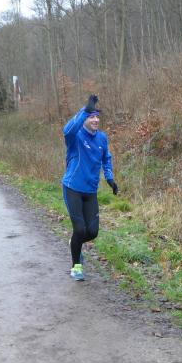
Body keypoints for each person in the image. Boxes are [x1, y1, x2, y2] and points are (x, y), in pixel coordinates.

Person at [62, 94, 118, 281]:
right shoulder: (75, 137)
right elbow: (67, 129)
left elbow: (106, 159)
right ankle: (76, 267)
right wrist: (84, 111)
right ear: (84, 118)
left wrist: (110, 179)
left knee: (92, 232)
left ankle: (74, 243)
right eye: (91, 116)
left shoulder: (102, 138)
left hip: (90, 191)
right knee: (79, 229)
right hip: (73, 188)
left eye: (97, 116)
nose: (95, 120)